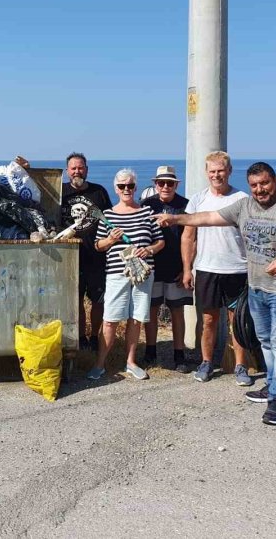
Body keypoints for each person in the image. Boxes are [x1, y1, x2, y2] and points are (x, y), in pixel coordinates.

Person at [155, 162, 276, 425]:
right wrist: (175, 218)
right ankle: (273, 385)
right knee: (266, 340)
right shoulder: (245, 206)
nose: (260, 190)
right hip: (257, 286)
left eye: (265, 183)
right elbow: (209, 218)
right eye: (255, 185)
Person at [180, 151, 251, 385]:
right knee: (208, 320)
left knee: (238, 321)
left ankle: (241, 366)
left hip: (237, 269)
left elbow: (251, 236)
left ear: (229, 171)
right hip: (207, 269)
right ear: (206, 173)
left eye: (221, 170)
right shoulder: (198, 200)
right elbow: (188, 237)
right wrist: (188, 268)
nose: (216, 175)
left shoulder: (242, 198)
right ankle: (207, 362)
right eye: (212, 171)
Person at [87, 168, 164, 381]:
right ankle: (100, 363)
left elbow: (160, 241)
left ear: (135, 187)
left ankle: (131, 362)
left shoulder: (147, 213)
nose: (126, 189)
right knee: (110, 319)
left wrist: (148, 250)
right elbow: (98, 246)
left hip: (143, 274)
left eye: (130, 185)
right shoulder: (108, 215)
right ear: (116, 188)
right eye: (122, 186)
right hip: (116, 274)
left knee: (136, 318)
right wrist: (111, 240)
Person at [140, 165, 193, 370]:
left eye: (169, 183)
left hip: (176, 267)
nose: (165, 186)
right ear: (155, 184)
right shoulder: (146, 205)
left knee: (177, 310)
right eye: (161, 183)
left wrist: (187, 268)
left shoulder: (185, 206)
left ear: (176, 184)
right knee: (151, 310)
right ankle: (150, 352)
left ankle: (179, 355)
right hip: (151, 267)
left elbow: (193, 239)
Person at [60, 152, 112, 351]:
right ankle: (80, 337)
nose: (77, 171)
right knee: (76, 301)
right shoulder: (61, 192)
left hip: (96, 256)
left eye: (80, 167)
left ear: (87, 170)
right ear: (67, 171)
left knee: (98, 301)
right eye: (73, 168)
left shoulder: (99, 192)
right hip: (70, 257)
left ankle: (95, 337)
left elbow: (109, 219)